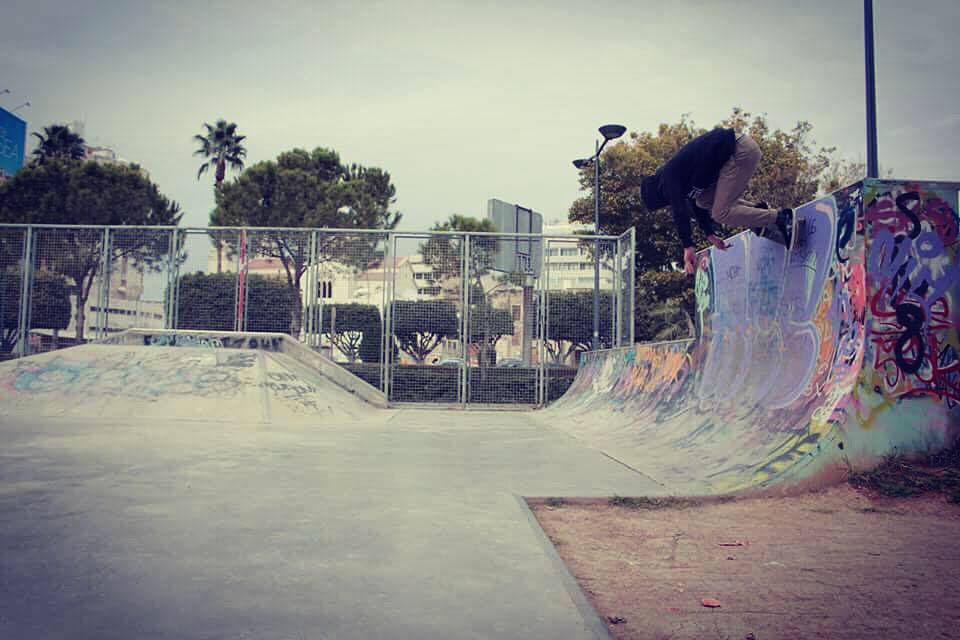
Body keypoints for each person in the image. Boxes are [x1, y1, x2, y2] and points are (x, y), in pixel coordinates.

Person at [640, 127, 796, 274]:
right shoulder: (683, 179)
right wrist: (710, 235)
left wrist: (688, 246)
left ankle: (781, 217)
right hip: (735, 153)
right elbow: (697, 205)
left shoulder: (668, 178)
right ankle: (759, 213)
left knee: (720, 213)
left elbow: (679, 211)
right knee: (703, 201)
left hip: (739, 151)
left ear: (659, 195)